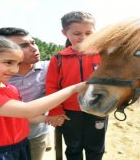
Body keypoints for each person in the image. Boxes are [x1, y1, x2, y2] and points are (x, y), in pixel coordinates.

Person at [0, 35, 84, 160]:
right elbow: (27, 110)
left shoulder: (9, 88)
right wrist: (73, 89)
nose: (14, 70)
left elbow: (19, 116)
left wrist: (47, 119)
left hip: (20, 146)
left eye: (17, 63)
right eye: (8, 62)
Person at [46, 11, 108, 160]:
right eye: (77, 33)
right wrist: (55, 109)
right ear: (64, 33)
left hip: (97, 110)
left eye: (88, 33)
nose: (83, 38)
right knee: (73, 147)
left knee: (96, 148)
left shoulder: (104, 56)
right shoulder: (58, 59)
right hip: (69, 113)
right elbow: (51, 86)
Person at [0, 27, 51, 160]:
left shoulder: (50, 68)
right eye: (24, 45)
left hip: (36, 136)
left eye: (33, 42)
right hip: (3, 140)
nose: (34, 48)